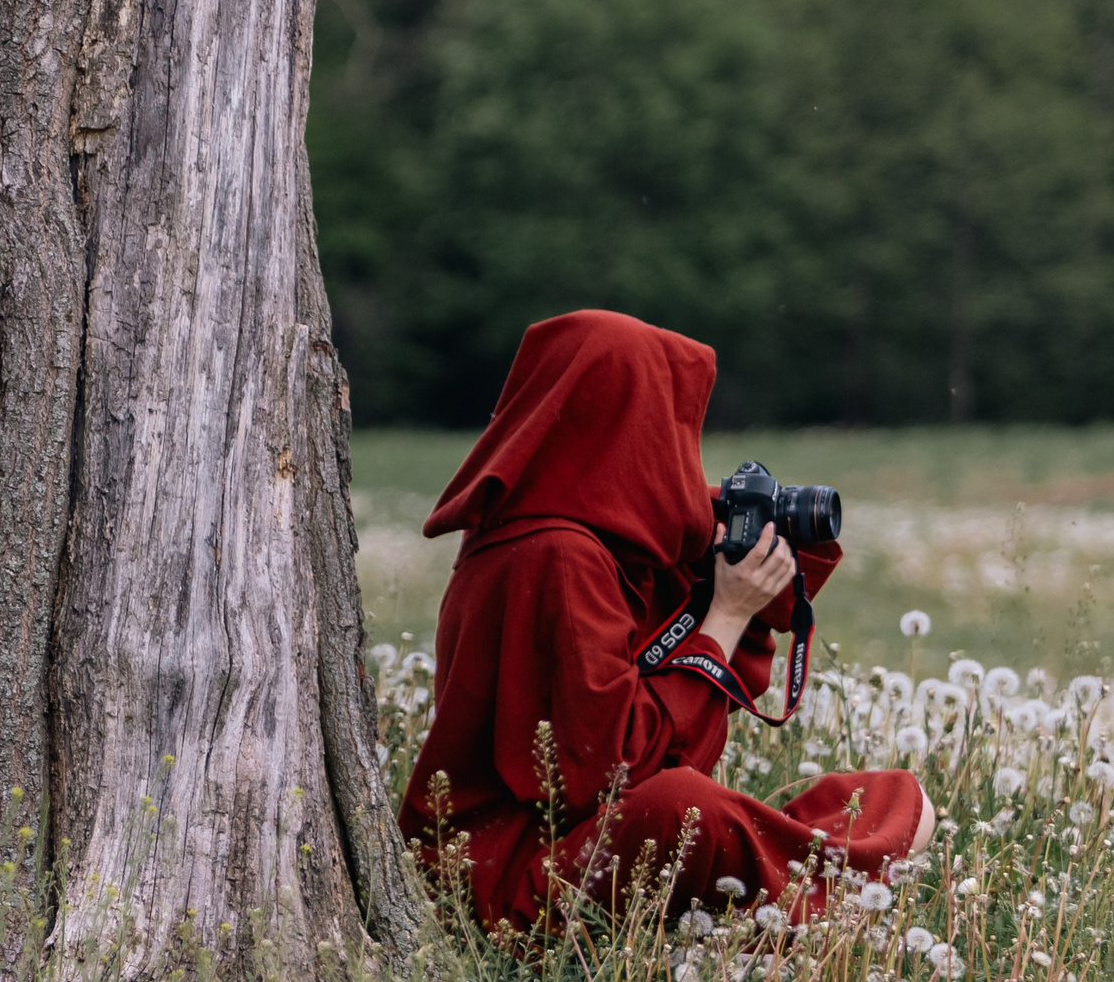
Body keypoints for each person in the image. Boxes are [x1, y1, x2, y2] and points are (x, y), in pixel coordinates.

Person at [398, 309, 934, 938]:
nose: (675, 451)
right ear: (620, 422)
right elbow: (610, 774)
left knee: (885, 795)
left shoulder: (563, 537)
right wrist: (727, 614)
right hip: (511, 889)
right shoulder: (557, 558)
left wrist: (728, 537)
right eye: (668, 423)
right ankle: (816, 911)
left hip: (560, 860)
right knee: (684, 808)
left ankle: (794, 904)